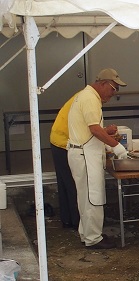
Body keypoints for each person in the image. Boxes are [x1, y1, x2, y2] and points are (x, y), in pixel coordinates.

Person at [67, 68, 128, 250]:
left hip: (82, 152)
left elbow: (92, 129)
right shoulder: (90, 98)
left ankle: (88, 234)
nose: (114, 93)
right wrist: (117, 147)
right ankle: (93, 239)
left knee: (85, 197)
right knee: (93, 196)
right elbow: (94, 129)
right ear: (103, 84)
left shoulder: (87, 96)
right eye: (113, 88)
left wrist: (106, 133)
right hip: (84, 154)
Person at [50, 94, 80, 230]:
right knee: (73, 184)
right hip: (64, 143)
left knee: (65, 183)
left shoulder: (82, 96)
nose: (111, 95)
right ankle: (77, 221)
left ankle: (68, 220)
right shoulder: (89, 100)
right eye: (112, 89)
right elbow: (91, 129)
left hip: (57, 140)